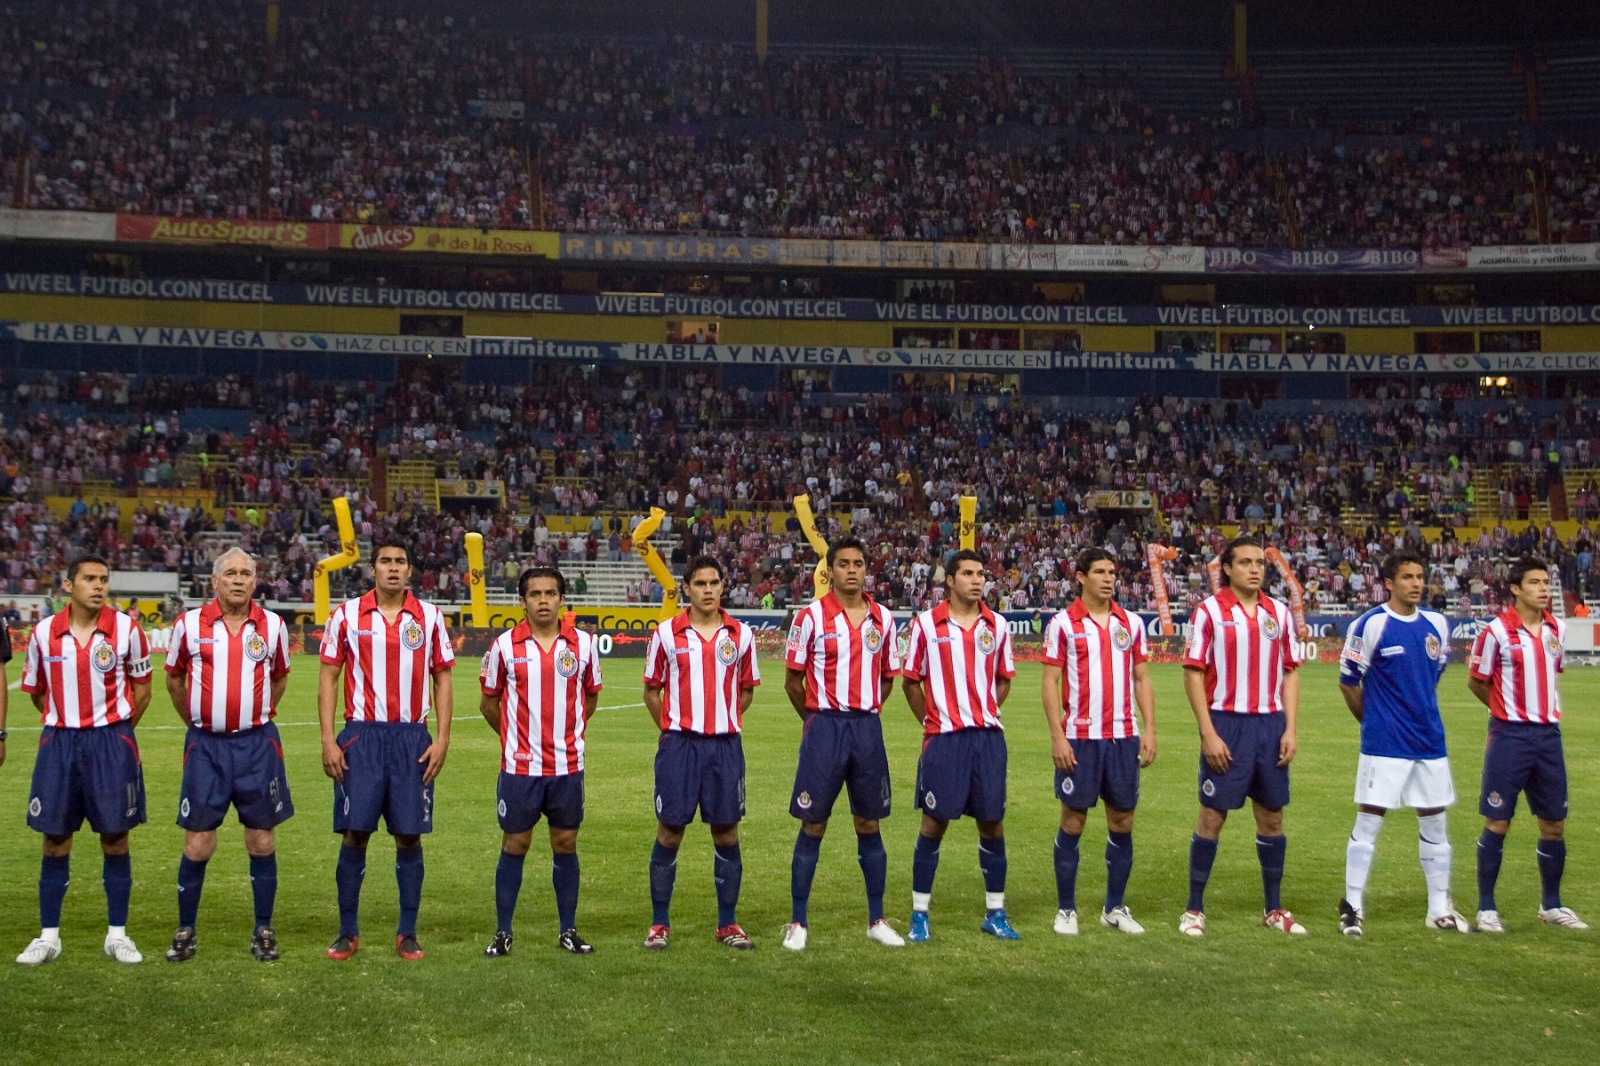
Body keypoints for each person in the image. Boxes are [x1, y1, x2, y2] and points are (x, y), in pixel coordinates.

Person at [318, 538, 455, 961]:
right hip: (362, 737)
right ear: (372, 569)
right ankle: (347, 931)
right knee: (355, 832)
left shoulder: (430, 617)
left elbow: (442, 678)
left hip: (412, 738)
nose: (392, 568)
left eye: (400, 562)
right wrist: (328, 739)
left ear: (410, 571)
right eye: (385, 561)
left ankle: (407, 932)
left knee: (409, 835)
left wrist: (442, 739)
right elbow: (328, 677)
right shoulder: (346, 615)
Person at [16, 555, 153, 966]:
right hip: (59, 743)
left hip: (111, 742)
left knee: (115, 837)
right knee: (55, 840)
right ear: (68, 585)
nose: (98, 586)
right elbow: (37, 692)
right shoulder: (44, 633)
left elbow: (143, 689)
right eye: (89, 579)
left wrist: (116, 731)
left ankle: (117, 935)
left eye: (103, 579)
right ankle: (48, 937)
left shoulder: (127, 629)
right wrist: (68, 720)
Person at [163, 548, 295, 962]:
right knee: (198, 843)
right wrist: (199, 721)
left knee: (261, 839)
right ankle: (185, 930)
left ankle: (263, 930)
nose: (239, 580)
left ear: (255, 581)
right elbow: (174, 680)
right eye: (231, 573)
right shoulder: (188, 625)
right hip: (206, 747)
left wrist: (253, 715)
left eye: (246, 574)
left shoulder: (273, 626)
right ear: (214, 581)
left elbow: (279, 678)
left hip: (257, 745)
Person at [781, 536, 904, 951]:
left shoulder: (883, 618)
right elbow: (792, 682)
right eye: (844, 564)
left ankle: (876, 920)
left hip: (866, 728)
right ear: (829, 571)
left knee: (869, 823)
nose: (852, 570)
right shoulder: (810, 618)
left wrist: (864, 710)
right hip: (825, 728)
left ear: (867, 569)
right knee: (813, 823)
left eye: (858, 564)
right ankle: (798, 922)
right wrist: (816, 721)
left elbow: (887, 678)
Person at [1336, 550, 1468, 937]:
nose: (1416, 583)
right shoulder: (1370, 624)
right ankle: (1352, 908)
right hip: (1385, 743)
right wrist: (1375, 722)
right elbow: (1348, 682)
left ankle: (1438, 909)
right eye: (1407, 577)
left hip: (1429, 741)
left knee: (1435, 821)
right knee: (1369, 818)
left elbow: (1432, 676)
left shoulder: (1437, 624)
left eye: (1420, 576)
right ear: (1389, 583)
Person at [1180, 536, 1306, 937]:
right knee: (1212, 815)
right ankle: (1194, 909)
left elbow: (1290, 672)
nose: (1255, 569)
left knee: (1272, 816)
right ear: (1227, 569)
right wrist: (1208, 733)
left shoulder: (1279, 613)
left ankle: (1274, 908)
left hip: (1270, 725)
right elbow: (1193, 673)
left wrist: (1290, 728)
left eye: (1259, 563)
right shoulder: (1209, 612)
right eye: (1246, 563)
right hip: (1226, 723)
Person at [479, 566, 603, 957]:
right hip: (521, 768)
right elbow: (488, 703)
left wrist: (568, 734)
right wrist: (514, 740)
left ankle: (568, 930)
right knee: (515, 843)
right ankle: (503, 931)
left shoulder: (583, 645)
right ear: (523, 601)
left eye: (550, 593)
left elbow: (590, 698)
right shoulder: (504, 646)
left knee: (565, 843)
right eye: (535, 594)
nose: (543, 600)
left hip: (567, 766)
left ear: (562, 599)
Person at [642, 556, 761, 950]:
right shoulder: (666, 634)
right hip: (680, 746)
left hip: (725, 746)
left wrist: (722, 718)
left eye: (714, 583)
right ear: (687, 588)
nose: (708, 590)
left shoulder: (741, 635)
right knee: (670, 830)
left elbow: (746, 690)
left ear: (722, 586)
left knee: (726, 831)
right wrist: (672, 728)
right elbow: (651, 691)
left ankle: (727, 923)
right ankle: (659, 923)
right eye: (700, 583)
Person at [902, 549, 1017, 942]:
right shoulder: (926, 625)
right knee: (934, 823)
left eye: (980, 573)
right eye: (968, 573)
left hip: (987, 739)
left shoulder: (998, 625)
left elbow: (1004, 679)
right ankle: (919, 915)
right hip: (943, 740)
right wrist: (933, 721)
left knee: (992, 822)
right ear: (949, 580)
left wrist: (982, 708)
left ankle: (996, 913)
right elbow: (910, 681)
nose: (977, 580)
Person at [1040, 548, 1156, 936]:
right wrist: (1057, 736)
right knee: (1073, 821)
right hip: (1080, 738)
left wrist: (1149, 729)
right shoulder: (1062, 624)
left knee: (1122, 821)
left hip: (1123, 737)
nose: (1108, 579)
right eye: (1100, 572)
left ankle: (1114, 907)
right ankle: (1066, 910)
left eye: (1112, 572)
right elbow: (1050, 682)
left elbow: (1141, 678)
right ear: (1080, 577)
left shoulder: (1132, 623)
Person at [1468, 557, 1586, 931]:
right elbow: (1476, 681)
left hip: (1549, 738)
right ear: (1516, 589)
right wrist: (1506, 711)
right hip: (1509, 737)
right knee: (1498, 821)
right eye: (1534, 582)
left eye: (1545, 582)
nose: (1543, 588)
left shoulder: (1557, 629)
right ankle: (1486, 908)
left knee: (1554, 825)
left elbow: (1552, 673)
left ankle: (1551, 905)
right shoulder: (1496, 632)